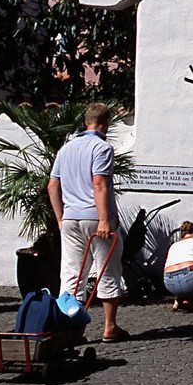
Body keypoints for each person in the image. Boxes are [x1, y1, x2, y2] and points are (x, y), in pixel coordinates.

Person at [47, 102, 128, 342]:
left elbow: (52, 185)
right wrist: (104, 219)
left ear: (86, 122)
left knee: (72, 275)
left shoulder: (66, 149)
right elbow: (99, 183)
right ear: (106, 123)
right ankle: (110, 327)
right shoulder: (102, 147)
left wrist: (60, 218)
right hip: (95, 218)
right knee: (107, 271)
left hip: (70, 218)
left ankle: (72, 329)